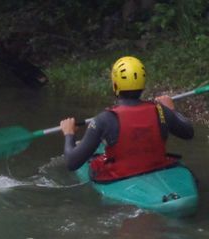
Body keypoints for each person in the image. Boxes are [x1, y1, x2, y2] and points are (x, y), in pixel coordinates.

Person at [60, 56, 194, 181]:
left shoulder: (104, 119)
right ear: (143, 84)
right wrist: (171, 110)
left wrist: (69, 134)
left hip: (120, 176)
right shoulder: (161, 110)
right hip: (157, 167)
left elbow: (72, 163)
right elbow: (188, 133)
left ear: (115, 84)